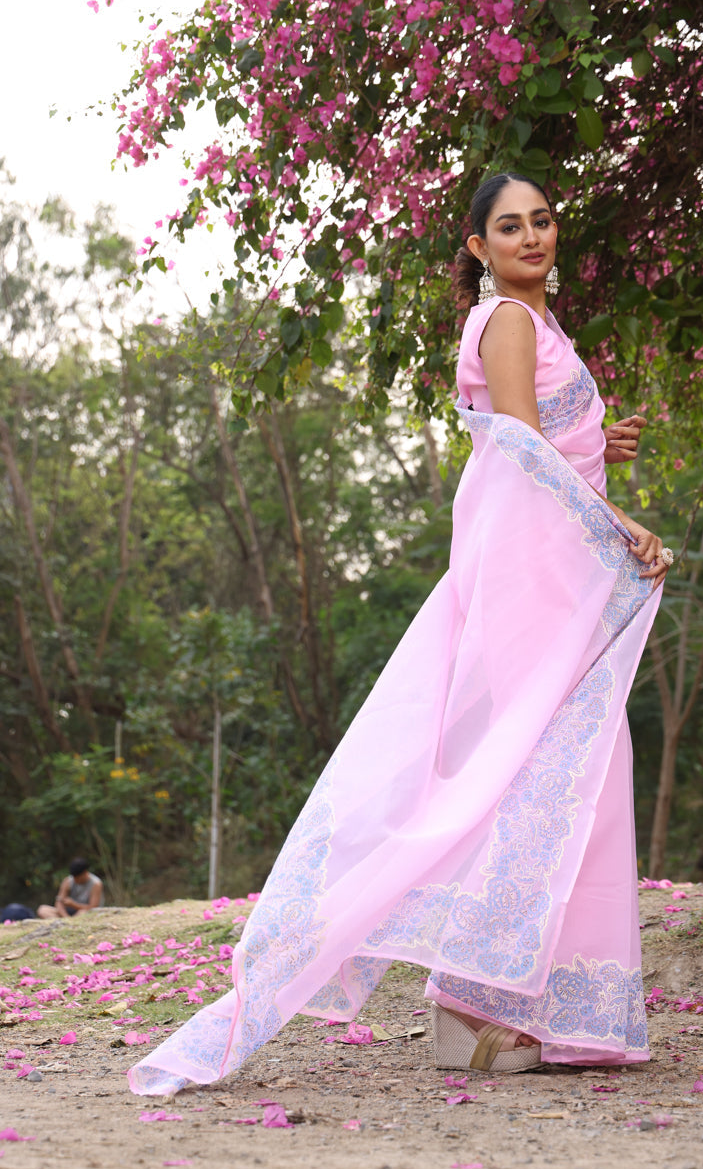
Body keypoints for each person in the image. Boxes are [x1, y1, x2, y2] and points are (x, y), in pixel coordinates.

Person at [129, 172, 671, 1097]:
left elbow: (538, 436)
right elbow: (520, 453)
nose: (532, 236)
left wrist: (598, 441)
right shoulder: (505, 320)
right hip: (531, 576)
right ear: (477, 246)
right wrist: (620, 526)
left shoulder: (533, 326)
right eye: (510, 226)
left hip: (540, 570)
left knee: (557, 776)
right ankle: (474, 1007)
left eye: (541, 220)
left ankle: (495, 1006)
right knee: (541, 774)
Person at [37, 859, 103, 919]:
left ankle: (70, 923)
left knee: (83, 913)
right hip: (68, 914)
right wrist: (66, 917)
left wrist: (74, 905)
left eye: (78, 878)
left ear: (84, 873)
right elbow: (59, 903)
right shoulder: (68, 881)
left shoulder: (95, 884)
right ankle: (66, 923)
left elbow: (93, 908)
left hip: (85, 912)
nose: (76, 880)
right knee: (42, 910)